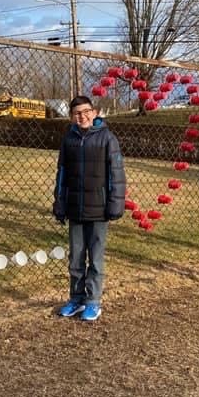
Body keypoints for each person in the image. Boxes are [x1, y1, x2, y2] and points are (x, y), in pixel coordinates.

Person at [52, 95, 126, 322]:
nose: (82, 116)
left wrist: (115, 202)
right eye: (77, 113)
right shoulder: (69, 140)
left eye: (85, 111)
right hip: (75, 207)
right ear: (72, 117)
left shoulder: (107, 139)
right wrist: (60, 200)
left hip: (99, 209)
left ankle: (93, 301)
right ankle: (75, 299)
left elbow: (117, 173)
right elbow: (62, 173)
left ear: (94, 113)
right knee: (76, 257)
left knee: (95, 258)